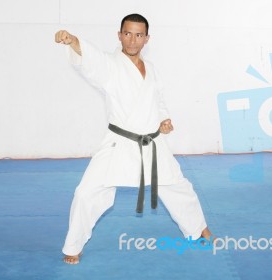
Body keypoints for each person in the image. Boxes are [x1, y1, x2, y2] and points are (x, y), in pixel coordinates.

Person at [55, 13, 214, 265]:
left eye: (138, 35)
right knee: (87, 193)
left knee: (178, 187)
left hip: (152, 141)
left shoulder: (151, 69)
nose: (132, 40)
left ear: (146, 38)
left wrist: (164, 119)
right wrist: (73, 41)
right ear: (119, 35)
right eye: (127, 33)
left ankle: (199, 228)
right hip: (120, 142)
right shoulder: (110, 65)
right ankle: (73, 245)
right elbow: (92, 59)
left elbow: (157, 99)